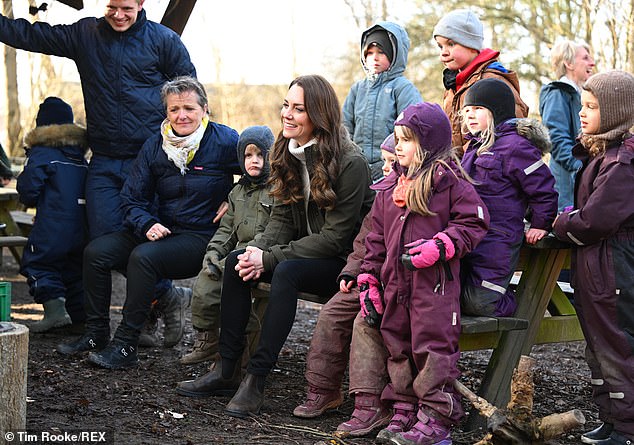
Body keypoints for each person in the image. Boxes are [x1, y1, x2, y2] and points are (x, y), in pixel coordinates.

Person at [175, 74, 375, 420]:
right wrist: (256, 252)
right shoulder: (286, 151)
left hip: (344, 265)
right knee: (239, 260)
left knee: (285, 272)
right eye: (287, 105)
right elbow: (281, 219)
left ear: (319, 114)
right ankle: (226, 369)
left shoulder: (350, 162)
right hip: (303, 252)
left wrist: (270, 258)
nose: (288, 114)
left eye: (298, 109)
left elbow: (336, 238)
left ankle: (256, 377)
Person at [0, 0, 199, 344]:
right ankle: (135, 312)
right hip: (105, 160)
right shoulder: (86, 34)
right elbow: (32, 34)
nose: (118, 15)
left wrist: (189, 150)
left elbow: (189, 95)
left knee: (144, 238)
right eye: (112, 7)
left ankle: (148, 310)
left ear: (140, 4)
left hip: (149, 157)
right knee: (101, 242)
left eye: (126, 8)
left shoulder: (163, 41)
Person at [56, 76, 240, 369]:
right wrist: (145, 224)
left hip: (201, 235)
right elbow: (131, 197)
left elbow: (263, 171)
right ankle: (95, 334)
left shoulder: (225, 141)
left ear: (205, 109)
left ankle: (126, 345)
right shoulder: (155, 145)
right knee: (96, 252)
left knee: (143, 258)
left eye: (189, 108)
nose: (181, 115)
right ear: (166, 112)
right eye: (174, 109)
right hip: (160, 228)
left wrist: (235, 198)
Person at [359, 102, 489, 444]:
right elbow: (375, 238)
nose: (398, 146)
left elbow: (474, 222)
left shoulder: (450, 183)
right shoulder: (390, 188)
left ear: (429, 143)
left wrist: (441, 245)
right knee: (398, 345)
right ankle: (404, 407)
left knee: (433, 349)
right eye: (397, 139)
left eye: (407, 140)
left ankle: (436, 417)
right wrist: (369, 278)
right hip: (394, 286)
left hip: (434, 289)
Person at [292, 133, 397, 437]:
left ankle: (369, 404)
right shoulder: (383, 197)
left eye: (393, 161)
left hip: (400, 284)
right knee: (332, 311)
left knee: (365, 322)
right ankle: (323, 389)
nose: (386, 168)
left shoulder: (417, 195)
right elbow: (365, 242)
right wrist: (351, 272)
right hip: (369, 278)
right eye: (385, 161)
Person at [552, 70, 634, 445]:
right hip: (593, 262)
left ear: (616, 112)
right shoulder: (601, 154)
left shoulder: (622, 164)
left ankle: (629, 427)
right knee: (596, 347)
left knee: (617, 343)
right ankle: (610, 418)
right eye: (583, 105)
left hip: (613, 263)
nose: (582, 114)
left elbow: (595, 219)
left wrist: (559, 222)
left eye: (593, 107)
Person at [459, 78, 558, 317]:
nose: (470, 115)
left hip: (498, 238)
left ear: (497, 112)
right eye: (467, 110)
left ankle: (518, 305)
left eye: (479, 109)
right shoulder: (473, 146)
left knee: (481, 304)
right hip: (469, 233)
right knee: (456, 295)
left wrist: (540, 224)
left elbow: (543, 188)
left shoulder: (515, 147)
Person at [180, 125, 275, 365]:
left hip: (262, 256)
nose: (254, 161)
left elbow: (273, 232)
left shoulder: (277, 190)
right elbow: (226, 230)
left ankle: (238, 345)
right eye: (248, 155)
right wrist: (214, 253)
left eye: (260, 155)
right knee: (206, 281)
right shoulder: (237, 191)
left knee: (238, 288)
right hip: (232, 255)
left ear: (271, 156)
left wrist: (229, 259)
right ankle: (208, 339)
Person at [17, 97, 88, 333]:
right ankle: (80, 318)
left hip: (52, 221)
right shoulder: (80, 156)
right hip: (82, 223)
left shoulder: (42, 153)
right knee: (73, 269)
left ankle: (55, 313)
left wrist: (28, 198)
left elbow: (29, 187)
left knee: (39, 263)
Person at [432, 9, 529, 150]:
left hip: (488, 166)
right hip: (461, 168)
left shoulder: (493, 81)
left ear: (472, 46)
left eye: (451, 44)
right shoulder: (452, 85)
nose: (444, 53)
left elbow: (511, 128)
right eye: (440, 46)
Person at [343, 21, 422, 181]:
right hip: (358, 168)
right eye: (369, 52)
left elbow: (412, 130)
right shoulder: (357, 89)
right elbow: (345, 127)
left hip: (392, 168)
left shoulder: (403, 88)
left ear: (394, 54)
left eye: (381, 52)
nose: (375, 58)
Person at [539, 40, 595, 212]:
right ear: (568, 63)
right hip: (567, 186)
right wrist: (582, 169)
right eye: (585, 58)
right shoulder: (558, 93)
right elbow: (555, 139)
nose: (592, 62)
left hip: (581, 183)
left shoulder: (580, 95)